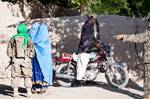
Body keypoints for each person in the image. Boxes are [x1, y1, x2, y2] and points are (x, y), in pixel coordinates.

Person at [113, 18, 150, 99]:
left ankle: (147, 96)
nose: (148, 24)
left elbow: (136, 37)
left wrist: (123, 37)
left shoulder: (148, 34)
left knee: (148, 77)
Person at [7, 23, 35, 97]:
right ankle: (28, 93)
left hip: (15, 60)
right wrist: (30, 56)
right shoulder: (27, 38)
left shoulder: (13, 38)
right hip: (26, 60)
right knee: (27, 76)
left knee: (15, 76)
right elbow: (31, 48)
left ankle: (15, 92)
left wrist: (11, 57)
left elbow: (9, 50)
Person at [28, 22, 53, 93]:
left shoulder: (32, 40)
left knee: (37, 70)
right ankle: (41, 87)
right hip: (37, 57)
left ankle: (36, 87)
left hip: (35, 57)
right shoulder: (45, 41)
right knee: (43, 70)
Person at [76, 14, 100, 81]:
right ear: (90, 19)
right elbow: (87, 38)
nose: (94, 20)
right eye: (92, 18)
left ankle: (89, 78)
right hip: (84, 48)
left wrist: (99, 43)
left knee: (93, 62)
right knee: (82, 64)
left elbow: (96, 37)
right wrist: (94, 43)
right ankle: (78, 80)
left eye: (95, 19)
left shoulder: (94, 27)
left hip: (90, 49)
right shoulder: (87, 27)